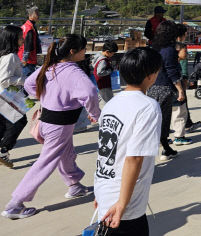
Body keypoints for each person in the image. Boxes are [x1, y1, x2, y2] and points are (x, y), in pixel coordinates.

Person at [3, 34, 100, 220]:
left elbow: (30, 85)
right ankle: (15, 204)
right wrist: (95, 114)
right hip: (60, 125)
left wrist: (46, 96)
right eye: (83, 49)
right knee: (46, 161)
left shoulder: (49, 67)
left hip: (47, 120)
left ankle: (74, 185)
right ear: (73, 51)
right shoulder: (74, 72)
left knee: (66, 152)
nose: (85, 52)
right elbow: (90, 93)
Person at [93, 46, 163, 235]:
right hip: (125, 199)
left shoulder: (112, 104)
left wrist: (99, 191)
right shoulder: (148, 107)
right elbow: (135, 158)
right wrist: (122, 203)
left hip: (106, 187)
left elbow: (104, 151)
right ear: (150, 75)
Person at [147, 21, 185, 160]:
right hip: (164, 87)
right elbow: (172, 71)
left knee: (156, 120)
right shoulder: (169, 50)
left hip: (152, 86)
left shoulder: (154, 46)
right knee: (163, 120)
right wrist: (180, 90)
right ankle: (160, 149)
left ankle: (165, 147)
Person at [0, 25, 27, 168]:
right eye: (20, 36)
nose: (23, 39)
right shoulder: (10, 57)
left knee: (4, 123)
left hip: (7, 95)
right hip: (7, 95)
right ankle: (4, 150)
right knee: (20, 121)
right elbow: (4, 80)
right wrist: (24, 80)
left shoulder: (6, 55)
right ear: (12, 39)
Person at [170, 24, 193, 146]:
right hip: (176, 89)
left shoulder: (167, 49)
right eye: (186, 51)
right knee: (180, 112)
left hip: (169, 89)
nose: (187, 53)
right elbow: (179, 74)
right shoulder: (177, 58)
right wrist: (182, 89)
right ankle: (179, 136)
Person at [19, 6, 41, 78]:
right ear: (30, 15)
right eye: (36, 13)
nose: (38, 15)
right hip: (28, 60)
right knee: (27, 80)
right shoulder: (29, 28)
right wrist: (24, 59)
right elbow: (28, 45)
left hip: (24, 57)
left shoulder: (26, 26)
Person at [93, 40, 119, 104]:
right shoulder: (103, 61)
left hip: (100, 83)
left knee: (103, 97)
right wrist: (109, 71)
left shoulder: (98, 55)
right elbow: (99, 73)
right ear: (107, 52)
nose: (113, 55)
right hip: (104, 84)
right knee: (109, 100)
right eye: (113, 53)